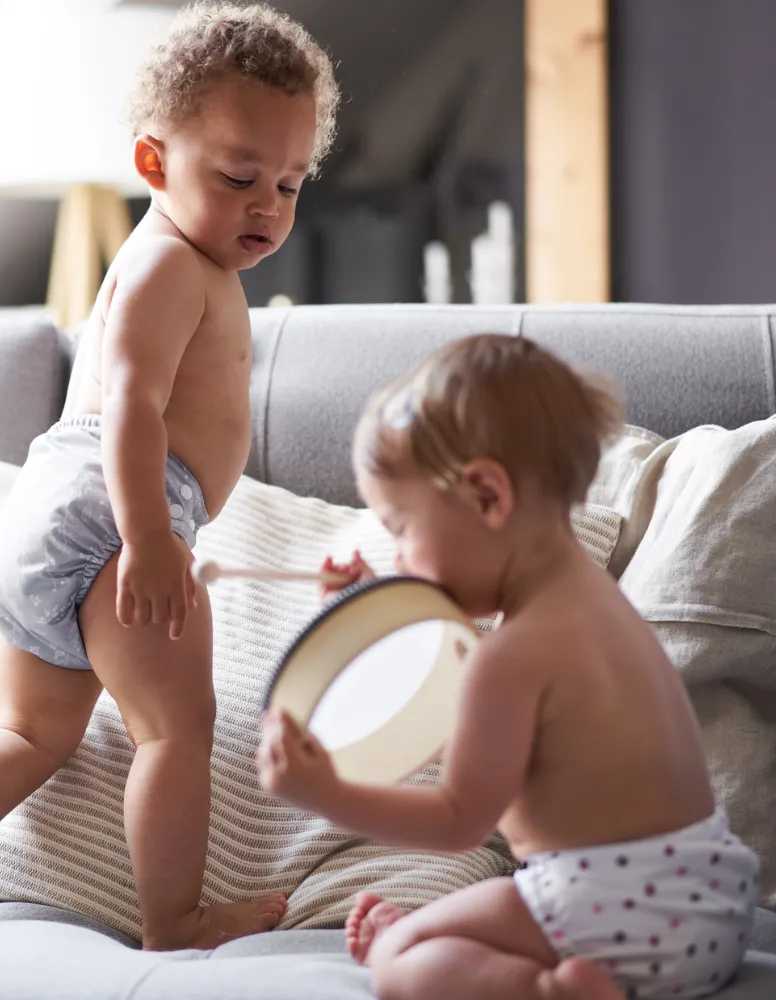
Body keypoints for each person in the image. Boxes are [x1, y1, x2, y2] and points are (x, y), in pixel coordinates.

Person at [0, 1, 339, 952]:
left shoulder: (175, 258)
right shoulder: (173, 267)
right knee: (174, 728)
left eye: (291, 185)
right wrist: (152, 539)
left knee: (29, 733)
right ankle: (174, 917)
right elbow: (129, 405)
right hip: (117, 513)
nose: (267, 206)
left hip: (48, 515)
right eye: (240, 175)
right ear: (154, 163)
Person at [257, 334, 759, 1000]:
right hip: (709, 903)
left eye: (402, 528)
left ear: (488, 497)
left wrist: (326, 794)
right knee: (431, 930)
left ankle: (553, 991)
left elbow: (459, 819)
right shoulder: (592, 600)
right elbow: (456, 635)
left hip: (611, 911)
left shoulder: (509, 661)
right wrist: (372, 601)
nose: (401, 557)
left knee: (401, 960)